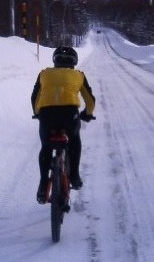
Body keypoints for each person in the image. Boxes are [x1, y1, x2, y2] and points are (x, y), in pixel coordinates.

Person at [31, 46, 96, 204]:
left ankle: (42, 185)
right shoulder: (78, 75)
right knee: (74, 141)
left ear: (55, 60)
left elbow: (35, 97)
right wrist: (87, 113)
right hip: (70, 115)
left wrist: (38, 113)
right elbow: (90, 100)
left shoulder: (44, 73)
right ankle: (74, 176)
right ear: (74, 62)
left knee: (46, 147)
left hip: (47, 116)